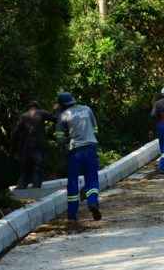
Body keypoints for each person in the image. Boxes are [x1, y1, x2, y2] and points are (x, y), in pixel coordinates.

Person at [54, 92, 102, 222]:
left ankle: (72, 214)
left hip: (75, 151)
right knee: (92, 179)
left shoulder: (63, 115)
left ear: (62, 105)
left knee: (73, 182)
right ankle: (92, 202)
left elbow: (59, 138)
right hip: (91, 148)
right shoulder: (87, 109)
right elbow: (95, 129)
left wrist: (65, 141)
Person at [12, 101, 55, 189]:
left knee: (25, 168)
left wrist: (14, 148)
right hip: (38, 145)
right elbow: (55, 119)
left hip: (26, 146)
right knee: (38, 166)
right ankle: (36, 185)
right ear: (37, 107)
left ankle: (21, 185)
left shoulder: (23, 116)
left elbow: (15, 133)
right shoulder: (42, 112)